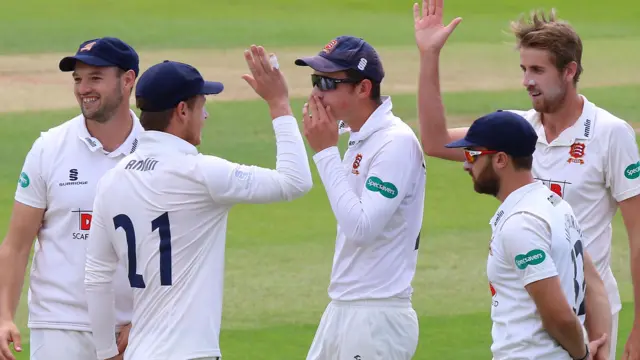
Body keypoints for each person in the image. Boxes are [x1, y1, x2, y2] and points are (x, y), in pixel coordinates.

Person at [413, 1, 640, 358]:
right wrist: (429, 55)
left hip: (588, 315)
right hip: (525, 311)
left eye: (537, 69)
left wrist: (639, 330)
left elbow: (637, 233)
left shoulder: (611, 134)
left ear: (569, 71)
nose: (526, 81)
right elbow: (435, 140)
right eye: (523, 69)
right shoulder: (516, 131)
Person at [83, 46, 313, 360]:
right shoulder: (200, 173)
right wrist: (279, 103)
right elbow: (295, 181)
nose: (205, 115)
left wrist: (106, 352)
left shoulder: (112, 181)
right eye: (201, 105)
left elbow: (96, 276)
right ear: (181, 111)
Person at [0, 37, 141, 360]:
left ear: (128, 80)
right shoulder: (49, 148)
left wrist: (145, 319)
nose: (83, 89)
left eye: (95, 78)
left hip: (133, 331)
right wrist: (4, 316)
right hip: (59, 324)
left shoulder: (155, 150)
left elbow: (174, 251)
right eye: (78, 79)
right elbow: (16, 244)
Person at [296, 35, 426, 360]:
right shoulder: (360, 137)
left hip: (376, 317)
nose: (315, 93)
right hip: (345, 307)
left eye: (327, 82)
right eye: (315, 80)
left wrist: (325, 152)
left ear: (363, 88)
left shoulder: (395, 143)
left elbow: (362, 228)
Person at [444, 110, 611, 359]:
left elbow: (559, 317)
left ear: (501, 159)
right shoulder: (556, 205)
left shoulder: (521, 224)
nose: (466, 165)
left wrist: (583, 355)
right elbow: (594, 284)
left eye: (472, 154)